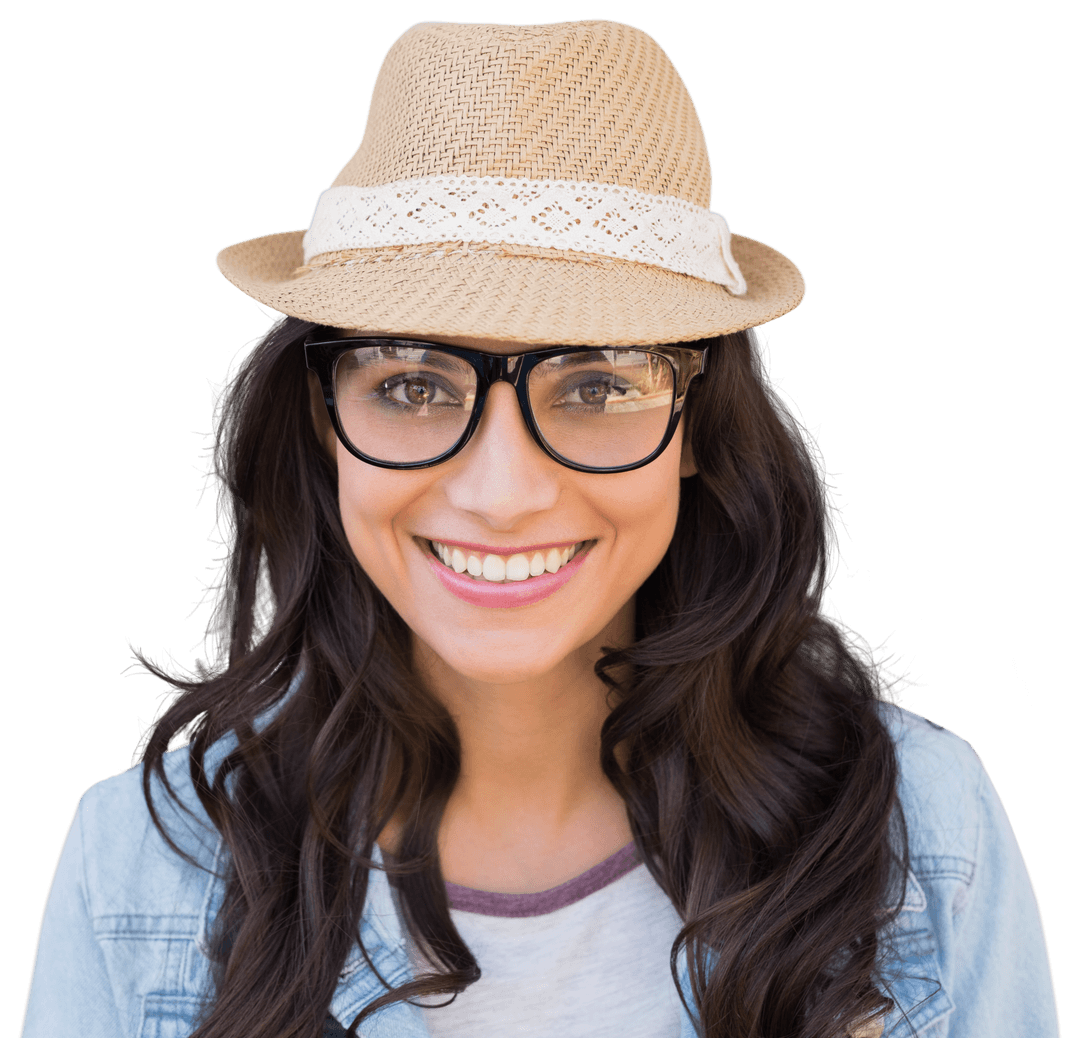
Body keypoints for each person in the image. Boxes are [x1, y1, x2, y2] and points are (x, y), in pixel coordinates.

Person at [20, 18, 1058, 1038]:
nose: (503, 491)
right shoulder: (141, 868)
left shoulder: (921, 833)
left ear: (697, 423)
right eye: (414, 383)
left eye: (600, 384)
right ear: (321, 420)